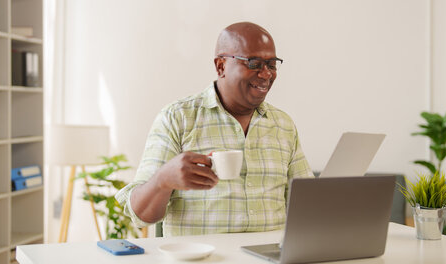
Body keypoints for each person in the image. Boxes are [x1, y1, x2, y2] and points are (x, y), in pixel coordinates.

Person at [116, 22, 313, 236]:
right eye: (254, 63)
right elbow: (140, 215)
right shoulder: (178, 118)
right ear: (221, 66)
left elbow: (310, 205)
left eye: (272, 64)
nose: (266, 74)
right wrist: (163, 180)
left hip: (271, 258)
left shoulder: (283, 125)